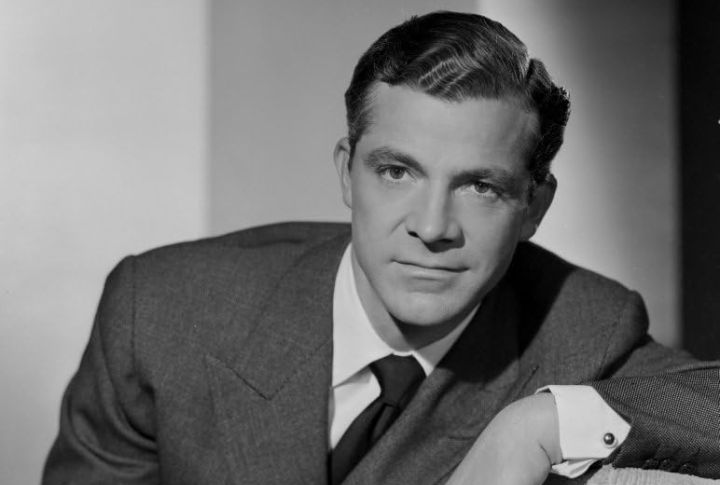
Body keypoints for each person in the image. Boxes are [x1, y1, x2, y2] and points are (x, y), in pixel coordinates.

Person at [43, 11, 719, 485]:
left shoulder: (580, 324)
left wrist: (535, 426)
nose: (432, 225)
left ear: (534, 208)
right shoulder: (163, 310)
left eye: (480, 186)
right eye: (397, 172)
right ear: (347, 173)